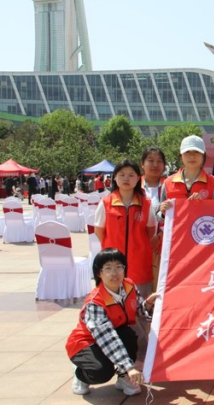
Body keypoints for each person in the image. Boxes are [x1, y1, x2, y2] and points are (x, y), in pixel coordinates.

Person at [66, 248, 158, 396]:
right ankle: (80, 374)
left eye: (119, 267)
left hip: (116, 332)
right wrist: (129, 367)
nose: (114, 273)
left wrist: (148, 303)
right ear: (99, 273)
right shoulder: (95, 302)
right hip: (85, 343)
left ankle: (123, 377)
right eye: (108, 268)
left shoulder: (128, 286)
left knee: (129, 334)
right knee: (102, 372)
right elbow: (107, 337)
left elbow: (137, 310)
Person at [94, 159, 156, 298]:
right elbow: (99, 232)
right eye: (121, 175)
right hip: (113, 263)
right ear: (115, 178)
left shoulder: (146, 204)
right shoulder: (106, 203)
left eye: (131, 175)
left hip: (139, 264)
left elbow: (151, 232)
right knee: (112, 302)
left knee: (140, 303)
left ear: (138, 178)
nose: (126, 179)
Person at [159, 135, 214, 218]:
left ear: (203, 155)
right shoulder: (168, 183)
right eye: (187, 152)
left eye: (196, 152)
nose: (192, 156)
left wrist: (204, 206)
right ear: (181, 156)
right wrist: (163, 213)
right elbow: (159, 216)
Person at [140, 147, 167, 291]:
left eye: (159, 161)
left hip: (162, 245)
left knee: (159, 287)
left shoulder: (170, 185)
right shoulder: (134, 185)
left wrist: (160, 236)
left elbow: (176, 215)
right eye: (150, 161)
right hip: (138, 245)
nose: (155, 165)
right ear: (142, 164)